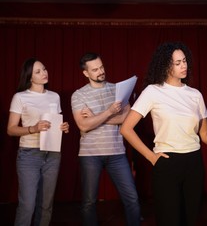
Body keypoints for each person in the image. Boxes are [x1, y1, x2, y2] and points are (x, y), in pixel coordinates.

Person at [120, 41, 207, 226]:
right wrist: (151, 157)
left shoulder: (195, 94)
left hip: (193, 162)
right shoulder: (153, 91)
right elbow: (126, 128)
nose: (183, 65)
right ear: (166, 65)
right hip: (167, 162)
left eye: (184, 61)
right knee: (169, 219)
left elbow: (206, 137)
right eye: (177, 63)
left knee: (190, 218)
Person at [71, 52, 140, 226]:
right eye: (95, 70)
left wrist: (96, 117)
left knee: (132, 199)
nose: (100, 71)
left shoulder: (118, 89)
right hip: (90, 155)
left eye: (101, 67)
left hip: (117, 154)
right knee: (89, 202)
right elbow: (83, 125)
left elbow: (127, 118)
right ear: (86, 73)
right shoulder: (79, 95)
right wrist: (109, 112)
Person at [7, 58, 70, 226]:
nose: (44, 73)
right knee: (27, 204)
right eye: (38, 71)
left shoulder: (54, 97)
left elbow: (55, 123)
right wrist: (32, 129)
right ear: (29, 77)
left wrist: (63, 127)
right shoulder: (20, 97)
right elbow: (11, 129)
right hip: (29, 154)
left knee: (46, 205)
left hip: (52, 154)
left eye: (44, 69)